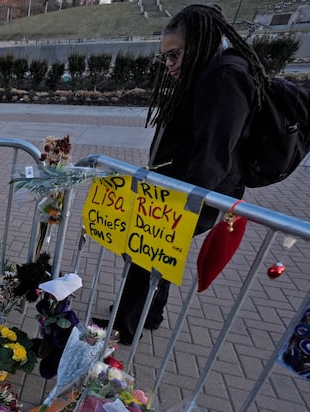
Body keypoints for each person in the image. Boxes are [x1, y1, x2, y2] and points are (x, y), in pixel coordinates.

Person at [93, 4, 269, 345]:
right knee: (154, 251)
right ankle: (148, 312)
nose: (169, 65)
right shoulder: (210, 73)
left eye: (174, 56)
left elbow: (213, 151)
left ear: (200, 45)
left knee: (146, 248)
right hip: (180, 187)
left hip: (195, 191)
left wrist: (182, 201)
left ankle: (126, 325)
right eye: (165, 58)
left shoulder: (225, 76)